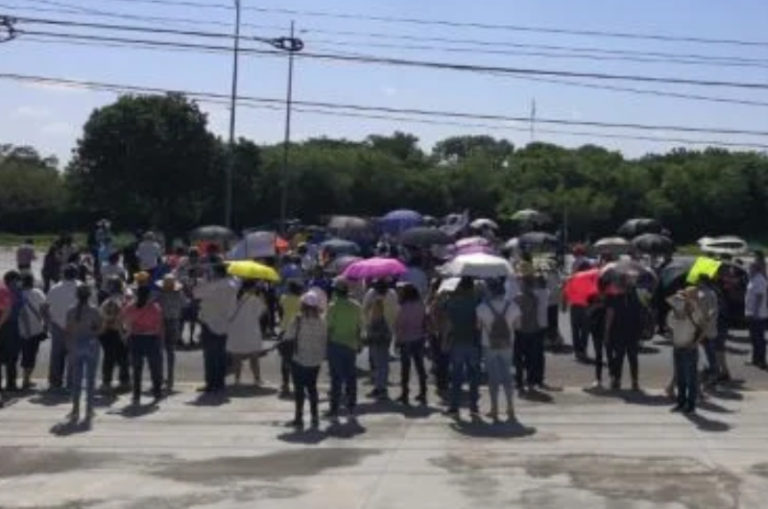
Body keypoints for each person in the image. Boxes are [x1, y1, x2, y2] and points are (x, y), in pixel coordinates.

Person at [477, 279, 520, 422]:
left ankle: (494, 408)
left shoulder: (482, 307)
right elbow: (517, 326)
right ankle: (510, 407)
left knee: (493, 378)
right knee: (507, 375)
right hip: (507, 344)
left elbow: (478, 327)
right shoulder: (512, 306)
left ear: (490, 291)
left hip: (489, 344)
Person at [284, 292, 327, 429]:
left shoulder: (297, 320)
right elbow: (324, 340)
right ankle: (315, 417)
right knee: (312, 388)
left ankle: (299, 417)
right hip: (315, 360)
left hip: (299, 359)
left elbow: (288, 337)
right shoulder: (322, 321)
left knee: (299, 390)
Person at [194, 263, 238, 393]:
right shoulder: (232, 285)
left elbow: (196, 293)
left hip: (210, 322)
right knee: (221, 354)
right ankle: (220, 383)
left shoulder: (214, 286)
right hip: (226, 322)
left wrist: (204, 280)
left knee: (209, 356)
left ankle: (211, 383)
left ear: (216, 273)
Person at [121, 284, 164, 405]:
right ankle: (157, 391)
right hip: (152, 338)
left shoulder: (131, 307)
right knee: (155, 368)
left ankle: (136, 394)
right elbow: (159, 325)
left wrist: (130, 331)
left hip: (136, 338)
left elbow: (125, 321)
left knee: (136, 369)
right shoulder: (155, 307)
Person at [444, 277, 481, 419]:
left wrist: (445, 339)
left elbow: (448, 324)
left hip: (457, 341)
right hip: (472, 341)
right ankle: (473, 406)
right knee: (474, 376)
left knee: (456, 376)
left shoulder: (453, 303)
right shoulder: (476, 303)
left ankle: (454, 406)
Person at [65, 285, 102, 423]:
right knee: (91, 380)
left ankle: (75, 410)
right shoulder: (94, 310)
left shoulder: (70, 311)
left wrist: (69, 346)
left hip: (76, 345)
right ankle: (89, 410)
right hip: (91, 344)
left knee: (76, 379)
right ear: (89, 295)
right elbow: (100, 329)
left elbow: (68, 331)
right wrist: (93, 331)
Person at [326, 278, 362, 418]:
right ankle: (352, 405)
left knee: (336, 378)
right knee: (350, 377)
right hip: (351, 344)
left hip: (335, 344)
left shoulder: (332, 306)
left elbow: (329, 328)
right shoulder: (356, 306)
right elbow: (359, 327)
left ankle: (334, 408)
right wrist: (359, 343)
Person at [667, 288, 704, 414]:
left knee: (691, 379)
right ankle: (681, 402)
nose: (679, 302)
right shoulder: (672, 314)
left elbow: (703, 328)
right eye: (677, 300)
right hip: (677, 347)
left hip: (689, 349)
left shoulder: (694, 313)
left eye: (681, 300)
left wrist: (695, 344)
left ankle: (691, 404)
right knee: (680, 378)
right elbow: (671, 328)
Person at [605, 276, 645, 391]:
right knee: (632, 357)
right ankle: (634, 382)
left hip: (620, 331)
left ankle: (617, 381)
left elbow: (610, 315)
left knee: (619, 357)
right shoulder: (636, 296)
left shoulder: (614, 297)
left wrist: (607, 332)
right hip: (632, 331)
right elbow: (641, 313)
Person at [44, 264, 80, 391]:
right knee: (74, 356)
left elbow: (45, 307)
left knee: (56, 356)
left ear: (63, 274)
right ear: (76, 274)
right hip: (76, 326)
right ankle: (72, 383)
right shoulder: (82, 287)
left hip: (57, 325)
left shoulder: (55, 288)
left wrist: (47, 322)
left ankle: (55, 382)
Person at [362, 279, 398, 401]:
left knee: (376, 361)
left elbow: (365, 311)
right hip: (388, 331)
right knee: (383, 360)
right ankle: (380, 386)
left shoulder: (373, 295)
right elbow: (395, 311)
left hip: (375, 331)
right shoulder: (392, 294)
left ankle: (379, 387)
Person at [226, 280, 266, 386]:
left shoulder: (233, 298)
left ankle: (237, 379)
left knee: (237, 357)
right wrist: (262, 300)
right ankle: (257, 379)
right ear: (252, 288)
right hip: (251, 330)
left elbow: (228, 314)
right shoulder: (254, 299)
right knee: (254, 358)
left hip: (236, 330)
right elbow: (260, 313)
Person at [394, 283, 428, 406]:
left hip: (406, 339)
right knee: (420, 366)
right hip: (419, 337)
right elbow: (425, 319)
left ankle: (405, 393)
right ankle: (423, 391)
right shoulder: (421, 305)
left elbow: (399, 326)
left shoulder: (403, 307)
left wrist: (397, 340)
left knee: (405, 368)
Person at [515, 273, 548, 392]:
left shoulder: (518, 298)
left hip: (520, 331)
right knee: (531, 358)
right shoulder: (536, 297)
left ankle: (519, 382)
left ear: (524, 284)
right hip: (533, 330)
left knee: (519, 359)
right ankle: (530, 382)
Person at [155, 274, 186, 392]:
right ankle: (170, 379)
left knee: (160, 351)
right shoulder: (179, 294)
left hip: (161, 322)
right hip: (174, 322)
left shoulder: (159, 295)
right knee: (171, 352)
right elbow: (185, 304)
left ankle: (160, 378)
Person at [99, 277, 130, 392]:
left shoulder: (108, 302)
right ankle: (125, 382)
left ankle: (107, 383)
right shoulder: (126, 300)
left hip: (109, 332)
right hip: (123, 332)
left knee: (108, 358)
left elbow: (102, 317)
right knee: (123, 358)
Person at [18, 274, 47, 389]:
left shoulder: (17, 294)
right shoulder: (38, 293)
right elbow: (45, 309)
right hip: (36, 329)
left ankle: (19, 379)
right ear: (32, 282)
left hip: (20, 330)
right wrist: (46, 326)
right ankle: (27, 379)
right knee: (32, 354)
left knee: (21, 354)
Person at [278, 280, 303, 396]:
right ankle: (298, 384)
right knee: (298, 359)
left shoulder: (284, 298)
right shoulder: (302, 300)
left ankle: (285, 384)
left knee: (285, 360)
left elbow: (281, 310)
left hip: (284, 329)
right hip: (298, 331)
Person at [0, 271, 23, 392]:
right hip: (11, 326)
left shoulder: (4, 290)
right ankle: (11, 384)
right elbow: (19, 307)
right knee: (12, 357)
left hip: (5, 325)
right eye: (17, 280)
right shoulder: (15, 292)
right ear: (13, 280)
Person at [745, 262, 767, 369]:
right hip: (752, 313)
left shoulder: (759, 280)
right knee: (754, 338)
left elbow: (759, 296)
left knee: (759, 339)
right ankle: (755, 359)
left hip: (758, 315)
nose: (748, 270)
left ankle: (761, 360)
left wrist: (755, 312)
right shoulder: (753, 279)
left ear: (755, 269)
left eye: (750, 268)